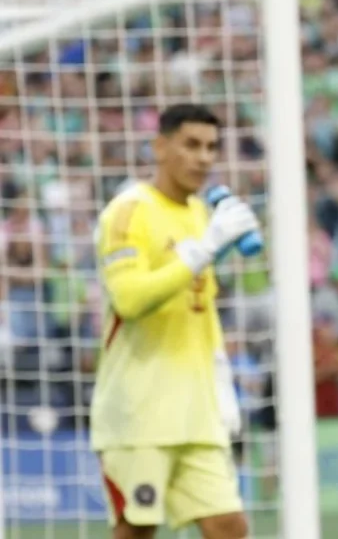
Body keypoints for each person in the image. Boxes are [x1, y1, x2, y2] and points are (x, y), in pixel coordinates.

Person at [91, 104, 260, 539]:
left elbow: (201, 310)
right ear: (160, 147)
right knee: (137, 530)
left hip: (198, 412)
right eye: (191, 145)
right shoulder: (128, 211)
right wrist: (201, 251)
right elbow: (129, 300)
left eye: (211, 147)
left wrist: (222, 383)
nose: (203, 157)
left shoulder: (203, 216)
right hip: (138, 413)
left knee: (230, 527)